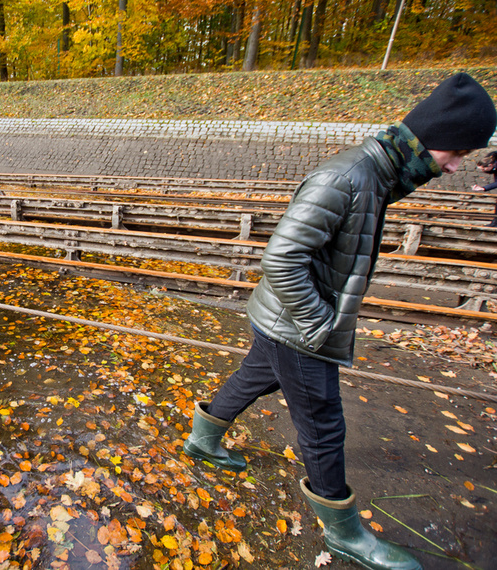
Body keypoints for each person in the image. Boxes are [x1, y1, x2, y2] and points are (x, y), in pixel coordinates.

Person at [183, 73, 496, 570]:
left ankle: (202, 439)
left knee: (254, 378)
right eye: (456, 152)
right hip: (297, 328)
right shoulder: (348, 178)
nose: (457, 166)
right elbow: (282, 258)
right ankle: (345, 533)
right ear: (429, 139)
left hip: (282, 322)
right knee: (323, 425)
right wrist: (318, 324)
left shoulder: (375, 177)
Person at [471, 150, 497, 226]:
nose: (482, 171)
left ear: (490, 165)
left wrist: (484, 188)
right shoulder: (493, 158)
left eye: (483, 169)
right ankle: (495, 223)